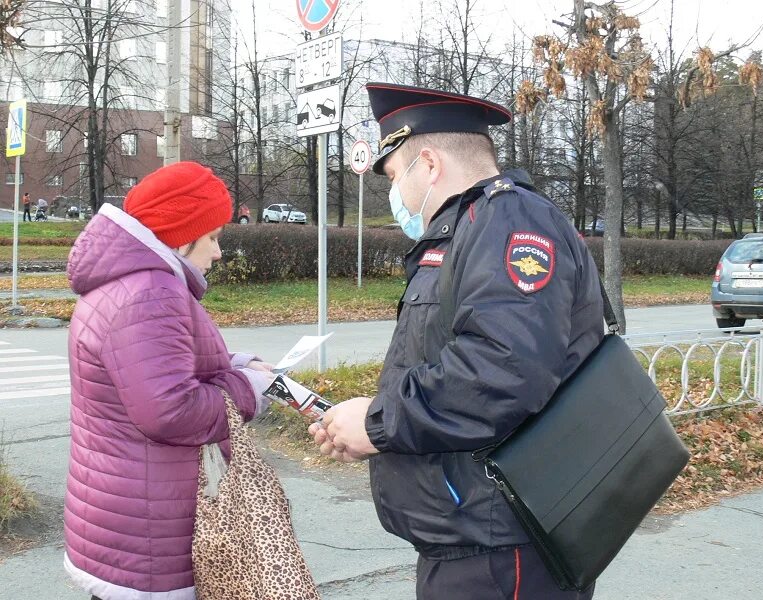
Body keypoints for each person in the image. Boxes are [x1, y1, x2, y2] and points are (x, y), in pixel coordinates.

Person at [310, 83, 605, 599]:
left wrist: (378, 423)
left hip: (503, 547)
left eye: (396, 176)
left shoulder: (508, 221)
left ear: (428, 163)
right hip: (474, 538)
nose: (394, 195)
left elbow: (503, 370)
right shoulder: (471, 228)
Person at [64, 161, 277, 600]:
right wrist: (248, 391)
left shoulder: (126, 283)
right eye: (214, 237)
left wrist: (232, 365)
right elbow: (170, 411)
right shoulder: (150, 292)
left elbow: (143, 372)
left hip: (126, 516)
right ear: (181, 238)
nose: (218, 252)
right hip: (150, 530)